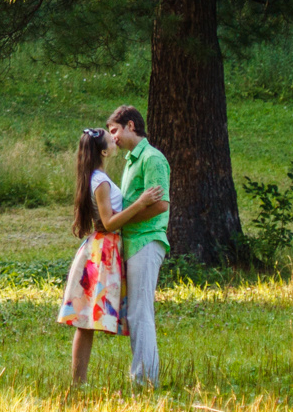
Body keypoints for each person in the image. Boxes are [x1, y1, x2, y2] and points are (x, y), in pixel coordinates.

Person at [58, 126, 167, 386]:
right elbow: (108, 222)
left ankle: (78, 383)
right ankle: (78, 382)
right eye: (110, 138)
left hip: (100, 248)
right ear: (104, 151)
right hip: (103, 250)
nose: (114, 139)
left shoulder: (96, 177)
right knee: (85, 320)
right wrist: (141, 203)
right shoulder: (101, 181)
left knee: (86, 319)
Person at [107, 105, 171, 387]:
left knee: (140, 312)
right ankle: (143, 377)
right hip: (132, 243)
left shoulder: (152, 158)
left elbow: (161, 204)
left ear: (130, 125)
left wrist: (124, 218)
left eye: (115, 130)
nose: (113, 138)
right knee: (134, 313)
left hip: (147, 240)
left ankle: (146, 381)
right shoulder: (132, 161)